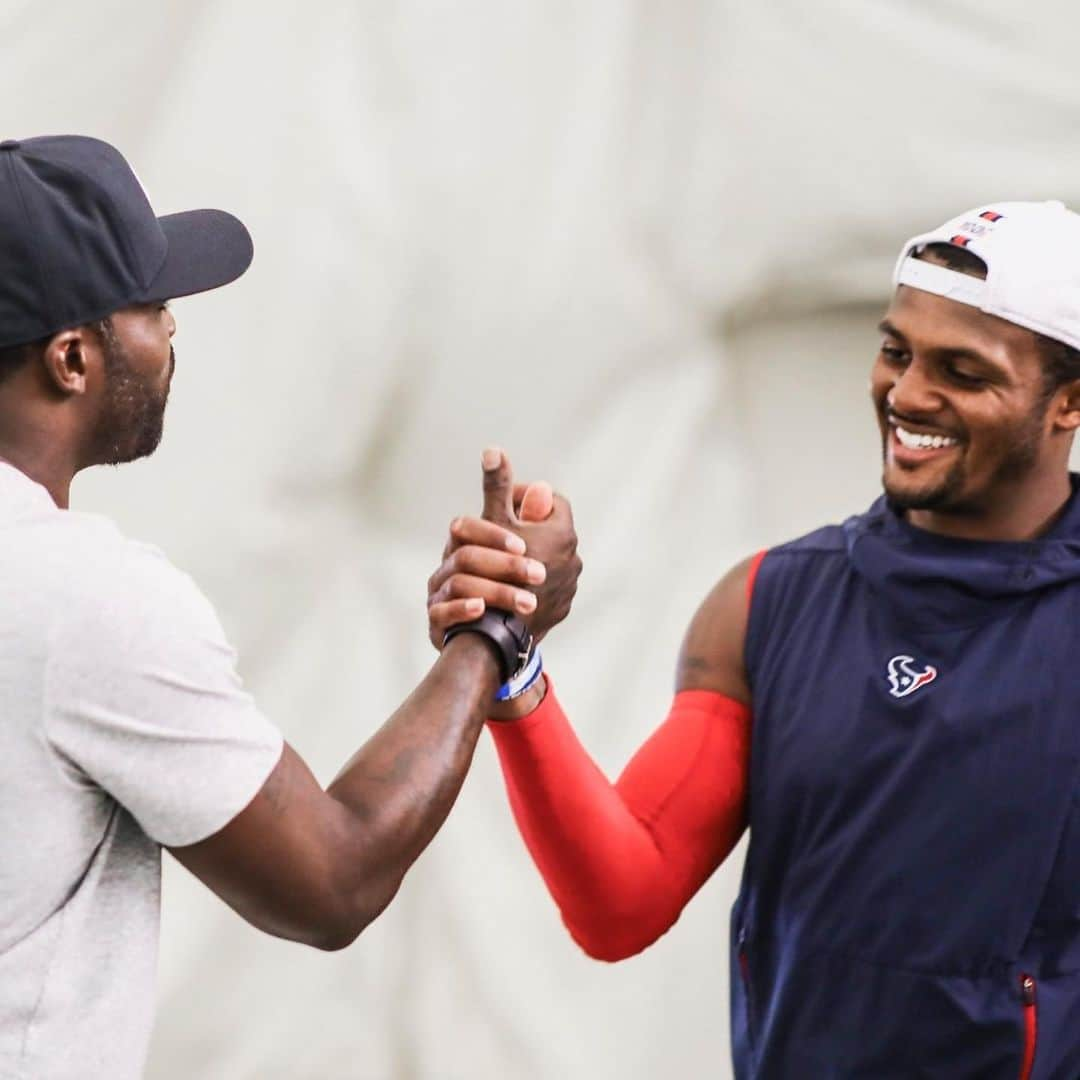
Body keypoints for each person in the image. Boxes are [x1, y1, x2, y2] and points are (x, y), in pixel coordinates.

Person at [426, 201, 1080, 1079]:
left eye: (962, 371)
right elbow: (621, 902)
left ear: (1067, 403)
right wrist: (510, 662)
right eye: (896, 351)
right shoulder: (767, 599)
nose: (910, 394)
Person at [0, 134, 582, 1079]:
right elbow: (332, 883)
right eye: (149, 304)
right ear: (72, 358)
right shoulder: (84, 601)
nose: (174, 329)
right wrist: (499, 625)